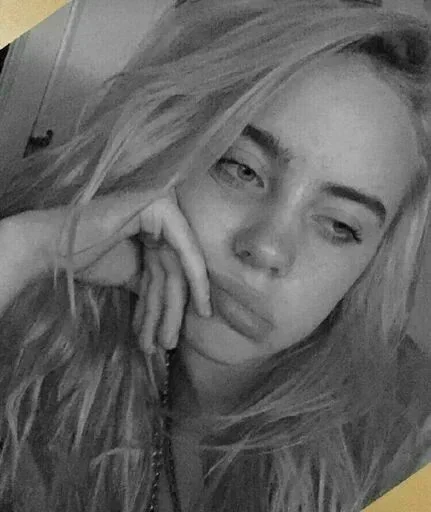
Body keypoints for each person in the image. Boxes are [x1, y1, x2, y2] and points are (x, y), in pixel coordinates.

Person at [0, 0, 431, 510]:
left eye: (340, 225)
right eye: (243, 171)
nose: (267, 249)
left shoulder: (407, 448)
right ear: (173, 147)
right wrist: (27, 249)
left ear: (373, 263)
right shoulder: (40, 342)